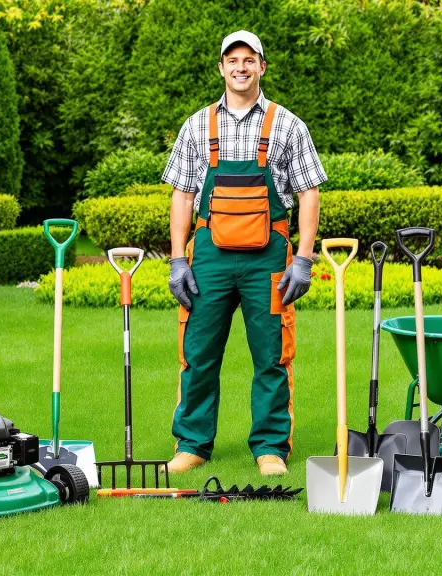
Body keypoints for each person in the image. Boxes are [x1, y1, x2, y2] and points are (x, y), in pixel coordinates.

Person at [161, 30, 326, 476]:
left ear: (262, 67)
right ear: (221, 68)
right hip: (209, 256)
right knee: (197, 352)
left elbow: (308, 194)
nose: (240, 67)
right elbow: (182, 193)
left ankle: (271, 448)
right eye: (232, 60)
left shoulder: (288, 124)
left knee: (272, 354)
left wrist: (303, 259)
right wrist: (178, 259)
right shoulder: (197, 125)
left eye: (248, 60)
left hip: (268, 258)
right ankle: (192, 444)